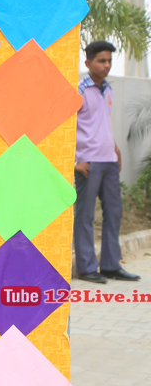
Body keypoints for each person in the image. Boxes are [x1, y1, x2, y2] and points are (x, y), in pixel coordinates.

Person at [74, 41, 139, 283]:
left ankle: (111, 265)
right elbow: (65, 127)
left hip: (109, 161)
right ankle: (87, 268)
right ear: (88, 63)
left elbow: (101, 124)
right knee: (85, 216)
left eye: (110, 61)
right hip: (88, 163)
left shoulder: (108, 89)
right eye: (102, 61)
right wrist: (75, 161)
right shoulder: (79, 91)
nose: (107, 65)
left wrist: (115, 149)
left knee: (114, 213)